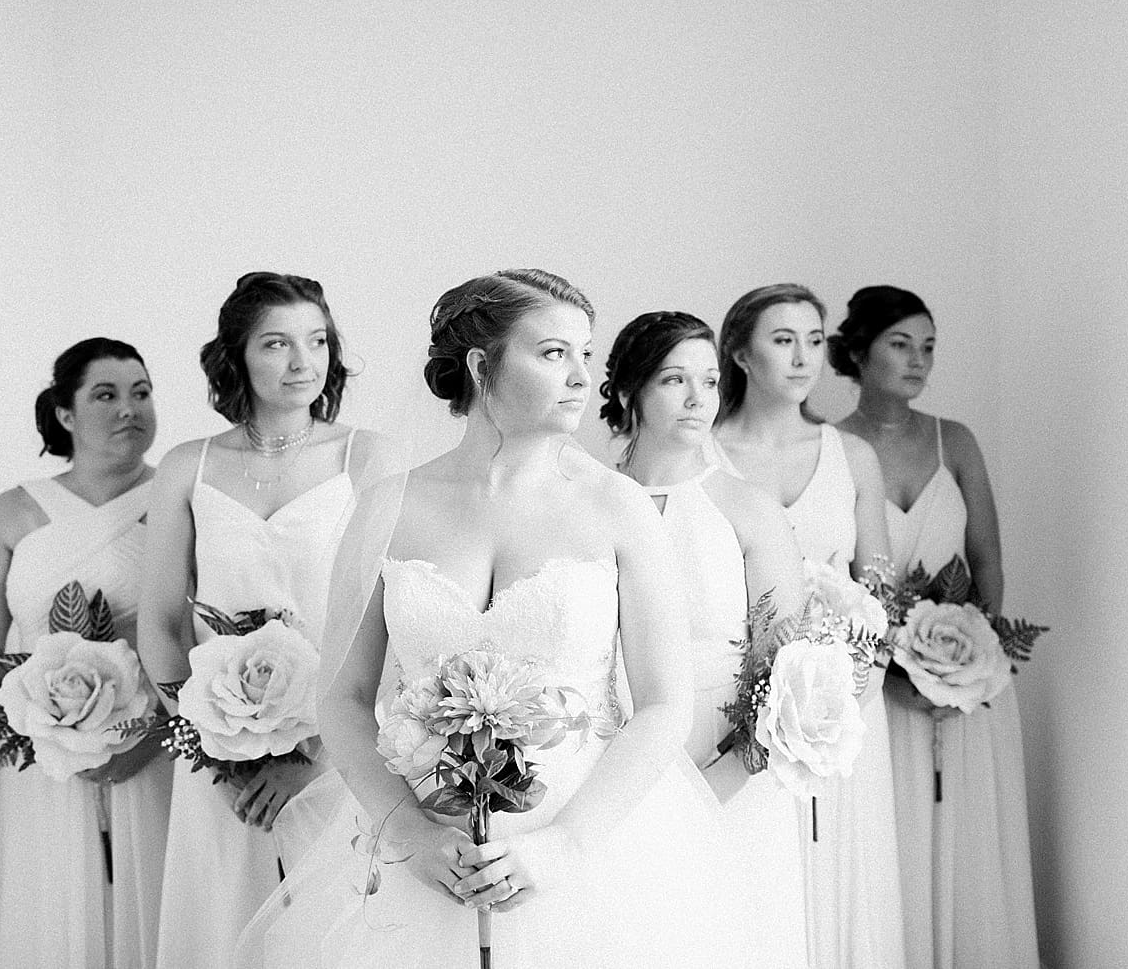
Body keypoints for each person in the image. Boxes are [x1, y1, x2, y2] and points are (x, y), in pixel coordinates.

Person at [237, 270, 729, 968]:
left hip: (584, 843)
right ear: (480, 364)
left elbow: (663, 703)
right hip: (426, 850)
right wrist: (408, 833)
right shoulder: (387, 505)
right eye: (554, 353)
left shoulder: (616, 505)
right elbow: (342, 698)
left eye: (584, 355)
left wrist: (564, 845)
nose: (582, 377)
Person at [138, 272, 392, 969]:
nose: (301, 361)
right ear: (237, 356)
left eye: (316, 341)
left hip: (341, 749)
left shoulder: (367, 456)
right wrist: (211, 747)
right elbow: (160, 619)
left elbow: (384, 616)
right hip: (219, 759)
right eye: (277, 343)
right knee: (225, 930)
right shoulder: (187, 466)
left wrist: (316, 754)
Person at [830, 285, 1037, 969]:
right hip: (875, 687)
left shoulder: (957, 439)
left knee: (966, 840)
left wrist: (969, 657)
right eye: (900, 343)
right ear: (857, 351)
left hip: (965, 683)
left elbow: (986, 557)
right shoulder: (831, 447)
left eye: (928, 346)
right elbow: (836, 575)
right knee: (889, 835)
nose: (918, 360)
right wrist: (892, 664)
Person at [0, 337, 171, 969]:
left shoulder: (176, 500)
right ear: (66, 414)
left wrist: (151, 739)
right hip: (42, 763)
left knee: (150, 906)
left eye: (141, 392)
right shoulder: (13, 512)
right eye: (106, 394)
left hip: (152, 750)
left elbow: (197, 635)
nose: (130, 408)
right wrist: (33, 735)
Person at [601, 310, 809, 967]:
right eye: (673, 380)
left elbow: (789, 673)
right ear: (629, 390)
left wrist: (720, 778)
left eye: (709, 380)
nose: (698, 399)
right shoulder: (585, 502)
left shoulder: (747, 508)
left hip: (727, 767)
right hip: (611, 767)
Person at [714, 283, 907, 968]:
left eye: (814, 340)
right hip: (737, 695)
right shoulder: (705, 455)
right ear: (738, 350)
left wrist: (851, 681)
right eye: (782, 339)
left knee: (840, 867)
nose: (802, 357)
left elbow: (879, 588)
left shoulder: (850, 455)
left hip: (841, 700)